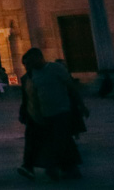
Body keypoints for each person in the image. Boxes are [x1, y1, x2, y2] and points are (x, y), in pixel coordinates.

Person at [21, 47, 85, 180]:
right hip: (45, 114)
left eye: (32, 61)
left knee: (61, 140)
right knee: (56, 141)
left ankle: (62, 167)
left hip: (62, 111)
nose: (30, 65)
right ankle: (63, 167)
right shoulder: (33, 74)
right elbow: (33, 96)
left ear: (40, 58)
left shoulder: (56, 68)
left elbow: (70, 86)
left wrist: (81, 105)